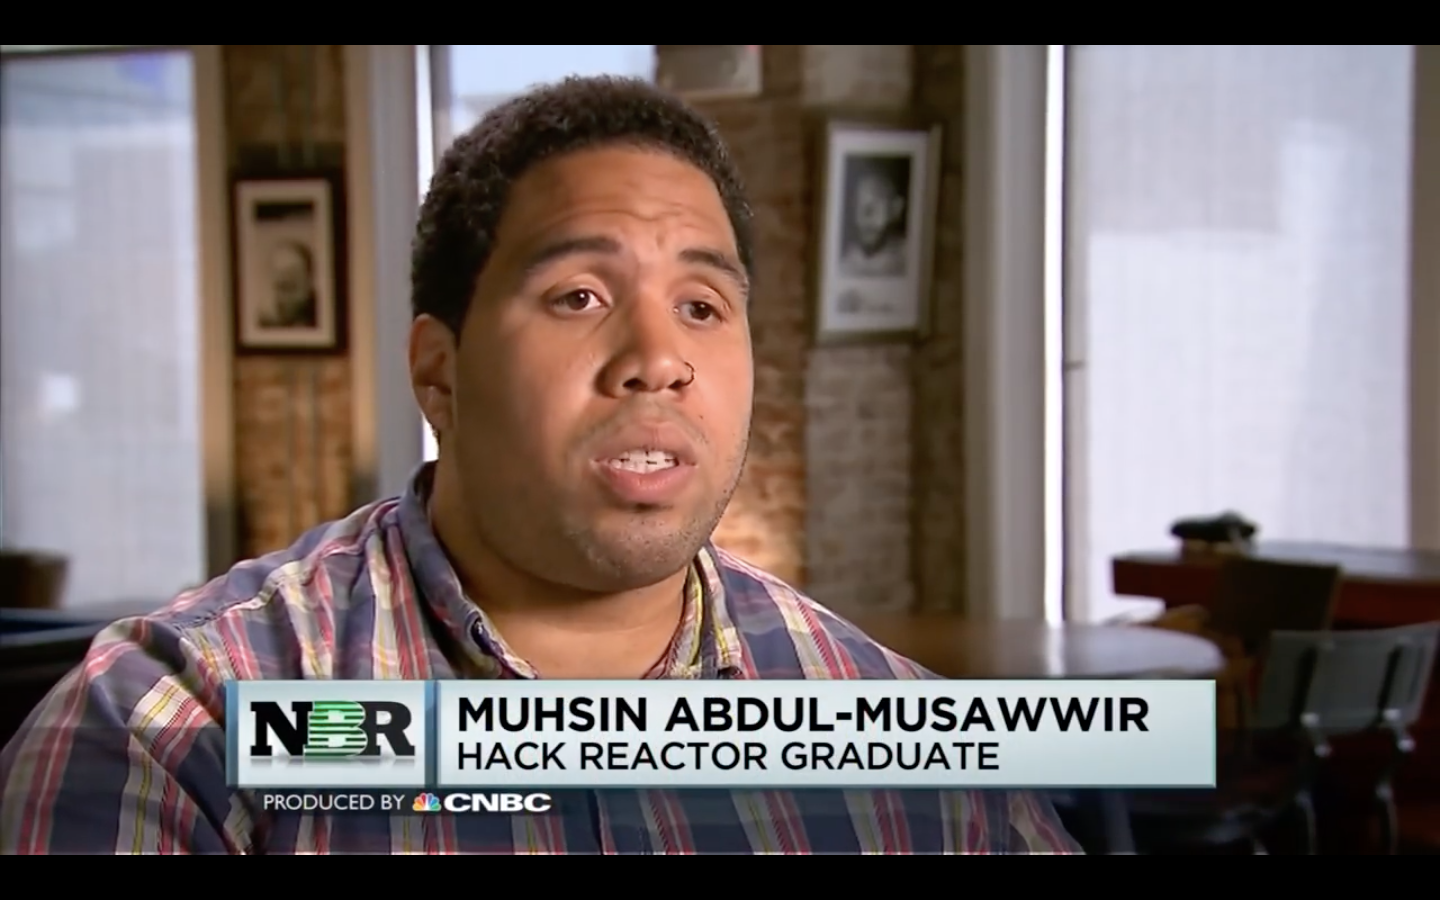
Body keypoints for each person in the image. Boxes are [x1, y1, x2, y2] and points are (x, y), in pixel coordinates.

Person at [0, 76, 1079, 855]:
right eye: (579, 297)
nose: (657, 358)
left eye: (703, 307)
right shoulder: (174, 727)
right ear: (440, 373)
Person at [839, 157, 909, 278]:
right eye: (859, 203)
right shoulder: (844, 264)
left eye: (876, 201)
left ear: (896, 208)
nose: (866, 214)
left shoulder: (909, 255)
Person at [260, 239, 318, 328]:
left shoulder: (321, 315)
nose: (280, 298)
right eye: (278, 286)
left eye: (289, 287)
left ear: (309, 282)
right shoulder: (266, 320)